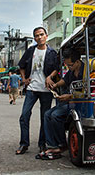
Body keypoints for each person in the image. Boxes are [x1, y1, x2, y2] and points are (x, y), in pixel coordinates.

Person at [16, 27, 59, 155]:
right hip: (31, 89)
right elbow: (21, 66)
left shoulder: (52, 52)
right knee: (24, 116)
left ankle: (42, 144)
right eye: (36, 36)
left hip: (45, 90)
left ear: (46, 36)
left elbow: (57, 68)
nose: (39, 37)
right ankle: (24, 144)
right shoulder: (30, 51)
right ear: (34, 38)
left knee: (44, 117)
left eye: (41, 35)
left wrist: (50, 77)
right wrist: (24, 79)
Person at [37, 48, 83, 160]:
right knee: (47, 114)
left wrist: (69, 96)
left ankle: (62, 143)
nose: (69, 67)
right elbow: (65, 80)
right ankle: (53, 145)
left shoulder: (86, 71)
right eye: (67, 65)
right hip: (70, 102)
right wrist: (55, 85)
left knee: (55, 115)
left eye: (70, 65)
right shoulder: (72, 70)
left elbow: (87, 91)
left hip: (80, 103)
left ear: (77, 62)